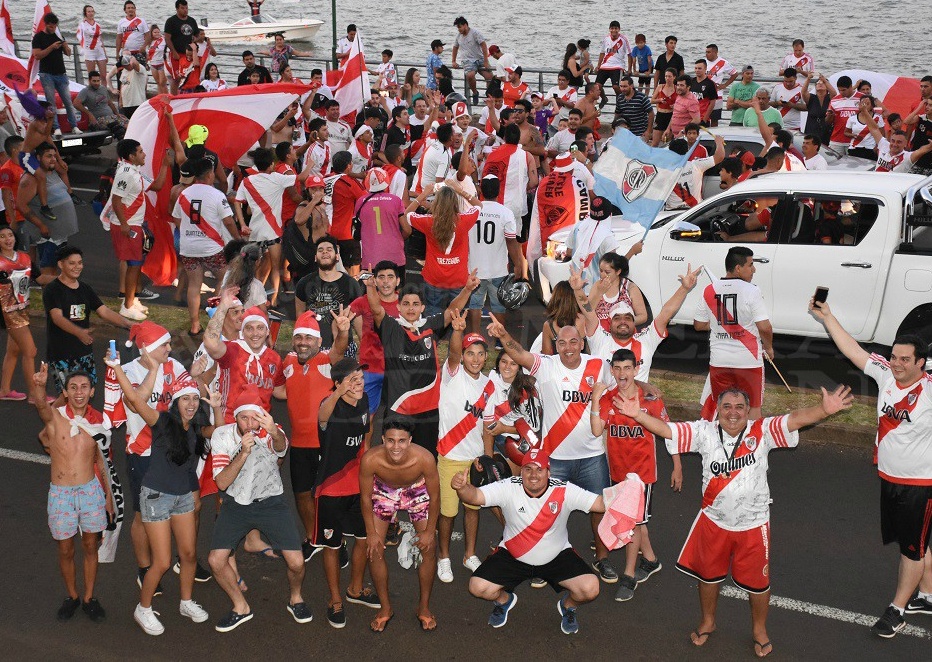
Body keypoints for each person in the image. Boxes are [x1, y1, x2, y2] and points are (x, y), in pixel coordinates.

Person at [621, 383, 852, 656]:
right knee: (708, 577)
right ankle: (708, 621)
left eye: (740, 407)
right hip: (713, 522)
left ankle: (759, 630)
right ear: (717, 410)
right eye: (727, 407)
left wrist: (823, 410)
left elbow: (796, 419)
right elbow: (667, 430)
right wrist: (638, 415)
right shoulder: (704, 432)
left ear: (748, 410)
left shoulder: (763, 430)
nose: (733, 413)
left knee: (758, 584)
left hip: (753, 525)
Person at [810, 302, 932, 638]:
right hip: (889, 478)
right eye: (894, 357)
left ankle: (898, 609)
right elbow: (854, 350)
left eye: (905, 360)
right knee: (914, 540)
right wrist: (828, 318)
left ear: (921, 362)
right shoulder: (885, 374)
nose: (896, 364)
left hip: (920, 484)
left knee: (911, 549)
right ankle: (928, 595)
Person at [487, 314, 618, 583]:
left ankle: (602, 558)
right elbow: (520, 354)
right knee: (546, 509)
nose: (568, 347)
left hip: (593, 455)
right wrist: (502, 335)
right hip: (555, 457)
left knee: (599, 509)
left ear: (582, 343)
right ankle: (541, 558)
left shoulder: (599, 366)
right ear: (555, 345)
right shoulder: (547, 365)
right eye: (562, 343)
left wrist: (646, 386)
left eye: (573, 341)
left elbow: (622, 385)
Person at [106, 355, 214, 635]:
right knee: (163, 561)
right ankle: (142, 609)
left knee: (189, 554)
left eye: (194, 399)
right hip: (156, 497)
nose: (191, 404)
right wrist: (117, 368)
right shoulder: (162, 422)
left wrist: (217, 406)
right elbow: (136, 400)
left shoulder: (196, 430)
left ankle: (186, 602)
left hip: (182, 498)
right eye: (185, 399)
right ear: (175, 402)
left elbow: (222, 430)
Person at [454, 448, 606, 634]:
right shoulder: (509, 486)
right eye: (528, 469)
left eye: (539, 469)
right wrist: (462, 487)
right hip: (512, 554)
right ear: (521, 471)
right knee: (477, 587)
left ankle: (568, 606)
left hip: (557, 555)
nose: (533, 475)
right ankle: (504, 601)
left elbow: (600, 504)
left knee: (590, 589)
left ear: (548, 472)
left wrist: (625, 493)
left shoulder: (564, 490)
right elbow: (475, 496)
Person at [207, 385, 312, 632]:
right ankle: (240, 606)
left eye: (256, 417)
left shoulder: (270, 432)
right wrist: (243, 453)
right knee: (216, 560)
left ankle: (296, 598)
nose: (251, 423)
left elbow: (281, 448)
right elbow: (221, 482)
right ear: (236, 418)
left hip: (271, 502)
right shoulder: (222, 436)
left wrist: (273, 431)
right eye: (244, 417)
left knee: (296, 563)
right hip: (235, 504)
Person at [590, 348, 681, 601]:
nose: (622, 374)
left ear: (636, 370)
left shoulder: (650, 400)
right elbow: (597, 431)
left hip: (642, 476)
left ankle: (628, 576)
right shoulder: (608, 399)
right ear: (612, 371)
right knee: (638, 522)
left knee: (633, 524)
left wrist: (677, 465)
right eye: (617, 369)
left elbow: (668, 432)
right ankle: (650, 560)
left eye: (627, 368)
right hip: (617, 472)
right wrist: (596, 402)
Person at [30, 363, 114, 623]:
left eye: (84, 387)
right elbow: (43, 408)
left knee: (91, 546)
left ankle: (89, 597)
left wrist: (109, 497)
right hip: (62, 494)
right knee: (66, 550)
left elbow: (102, 462)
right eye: (73, 387)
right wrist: (41, 387)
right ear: (65, 392)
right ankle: (72, 596)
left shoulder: (98, 422)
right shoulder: (57, 418)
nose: (79, 392)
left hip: (90, 491)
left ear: (92, 391)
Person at [364, 270, 478, 455]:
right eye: (406, 304)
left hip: (429, 410)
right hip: (398, 408)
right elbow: (377, 310)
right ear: (398, 307)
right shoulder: (391, 327)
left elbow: (451, 312)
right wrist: (370, 287)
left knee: (426, 458)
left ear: (423, 307)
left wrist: (467, 289)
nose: (411, 308)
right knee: (395, 459)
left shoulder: (430, 326)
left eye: (416, 304)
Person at [313, 357, 380, 627]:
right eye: (351, 379)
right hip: (331, 489)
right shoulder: (329, 405)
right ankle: (335, 599)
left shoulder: (364, 402)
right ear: (338, 384)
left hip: (359, 486)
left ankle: (355, 589)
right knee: (332, 545)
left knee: (363, 539)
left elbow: (366, 431)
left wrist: (367, 461)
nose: (358, 383)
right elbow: (322, 417)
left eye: (360, 378)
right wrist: (337, 393)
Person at [359, 418, 441, 631]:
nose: (396, 447)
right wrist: (371, 533)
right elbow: (366, 497)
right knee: (374, 549)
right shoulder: (370, 459)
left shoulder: (425, 458)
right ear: (383, 439)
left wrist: (430, 531)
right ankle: (385, 608)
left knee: (430, 548)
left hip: (417, 490)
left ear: (410, 440)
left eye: (402, 441)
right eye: (391, 441)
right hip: (384, 491)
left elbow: (435, 496)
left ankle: (423, 607)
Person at [280, 311, 348, 560]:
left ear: (319, 342)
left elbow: (339, 351)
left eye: (309, 338)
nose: (303, 342)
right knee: (301, 494)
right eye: (298, 337)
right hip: (299, 444)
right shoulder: (287, 362)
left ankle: (335, 540)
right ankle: (313, 537)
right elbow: (279, 389)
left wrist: (342, 331)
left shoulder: (326, 361)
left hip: (326, 442)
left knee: (328, 496)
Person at [435, 314, 494, 583]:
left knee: (473, 509)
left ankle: (469, 554)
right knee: (447, 513)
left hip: (474, 460)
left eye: (480, 354)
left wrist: (486, 458)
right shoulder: (452, 374)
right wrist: (457, 332)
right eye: (471, 353)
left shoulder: (488, 385)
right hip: (449, 458)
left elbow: (488, 425)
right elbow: (454, 354)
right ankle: (444, 557)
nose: (475, 359)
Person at [575, 262, 700, 381]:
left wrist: (684, 288)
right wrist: (577, 290)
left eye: (628, 318)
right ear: (609, 322)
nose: (623, 321)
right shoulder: (600, 339)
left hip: (638, 402)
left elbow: (665, 314)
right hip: (606, 401)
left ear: (634, 321)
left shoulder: (646, 339)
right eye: (617, 318)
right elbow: (588, 312)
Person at [694, 247, 773, 421]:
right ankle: (750, 446)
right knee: (753, 409)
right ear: (738, 268)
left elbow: (699, 325)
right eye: (751, 265)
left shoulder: (709, 290)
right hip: (748, 360)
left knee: (723, 407)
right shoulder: (752, 290)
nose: (754, 270)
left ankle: (721, 445)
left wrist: (718, 325)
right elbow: (765, 327)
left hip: (719, 360)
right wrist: (769, 347)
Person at [42, 246, 133, 394]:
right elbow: (57, 318)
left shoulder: (85, 289)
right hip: (61, 354)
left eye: (80, 263)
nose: (77, 267)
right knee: (67, 396)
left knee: (88, 392)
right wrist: (79, 332)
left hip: (84, 353)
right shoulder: (53, 290)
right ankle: (52, 416)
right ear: (60, 264)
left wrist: (128, 324)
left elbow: (104, 311)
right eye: (72, 263)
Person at [172, 159, 241, 336]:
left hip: (188, 247)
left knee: (194, 285)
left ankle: (195, 325)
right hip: (211, 246)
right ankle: (216, 319)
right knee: (223, 279)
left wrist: (188, 233)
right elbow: (228, 221)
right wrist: (238, 239)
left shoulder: (184, 194)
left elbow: (177, 218)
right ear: (210, 174)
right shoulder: (217, 194)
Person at [106, 139, 171, 321]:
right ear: (131, 156)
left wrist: (165, 165)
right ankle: (127, 306)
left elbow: (157, 186)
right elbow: (116, 200)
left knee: (136, 264)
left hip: (134, 223)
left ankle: (132, 300)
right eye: (141, 152)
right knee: (133, 265)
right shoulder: (126, 173)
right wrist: (125, 224)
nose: (144, 154)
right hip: (127, 225)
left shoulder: (135, 171)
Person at [407, 185, 481, 315]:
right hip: (458, 279)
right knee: (456, 320)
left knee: (433, 321)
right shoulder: (464, 220)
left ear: (436, 203)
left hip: (434, 278)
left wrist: (424, 194)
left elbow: (407, 213)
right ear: (455, 203)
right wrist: (459, 190)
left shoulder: (428, 221)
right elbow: (479, 205)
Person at [294, 235, 362, 354]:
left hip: (343, 346)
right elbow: (300, 315)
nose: (324, 252)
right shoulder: (303, 283)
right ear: (315, 257)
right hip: (313, 347)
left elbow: (358, 319)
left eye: (329, 249)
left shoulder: (351, 284)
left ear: (337, 256)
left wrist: (365, 345)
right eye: (320, 250)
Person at [0, 225, 37, 402]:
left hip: (23, 310)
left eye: (10, 235)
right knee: (30, 351)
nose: (7, 239)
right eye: (2, 236)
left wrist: (63, 277)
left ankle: (4, 390)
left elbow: (40, 277)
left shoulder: (25, 257)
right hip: (8, 313)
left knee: (13, 351)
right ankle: (34, 395)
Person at [31, 13, 81, 138]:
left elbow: (68, 53)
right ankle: (56, 127)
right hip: (46, 74)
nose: (53, 28)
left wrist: (65, 46)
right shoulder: (38, 37)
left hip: (61, 73)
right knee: (51, 102)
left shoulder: (58, 35)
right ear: (46, 24)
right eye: (51, 26)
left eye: (55, 26)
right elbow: (37, 55)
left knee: (68, 101)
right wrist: (51, 47)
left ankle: (74, 126)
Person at [450, 17, 491, 105]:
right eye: (457, 27)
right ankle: (475, 93)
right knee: (470, 75)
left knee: (490, 77)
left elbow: (483, 45)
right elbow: (455, 48)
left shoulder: (475, 33)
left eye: (460, 27)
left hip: (479, 58)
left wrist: (486, 60)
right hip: (467, 60)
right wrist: (453, 61)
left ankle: (489, 96)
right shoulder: (458, 37)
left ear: (465, 25)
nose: (459, 29)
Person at [163, 1, 199, 95]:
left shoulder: (192, 20)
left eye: (186, 8)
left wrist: (195, 38)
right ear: (177, 9)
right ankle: (174, 98)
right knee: (177, 77)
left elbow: (197, 34)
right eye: (182, 8)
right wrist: (173, 52)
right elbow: (167, 38)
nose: (185, 10)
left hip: (188, 54)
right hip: (176, 53)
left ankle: (184, 96)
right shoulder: (171, 21)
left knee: (188, 76)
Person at [595, 21, 630, 108]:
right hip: (605, 65)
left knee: (616, 87)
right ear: (609, 29)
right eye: (612, 28)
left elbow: (630, 54)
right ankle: (604, 98)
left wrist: (629, 68)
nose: (614, 30)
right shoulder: (606, 38)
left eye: (616, 28)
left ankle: (620, 102)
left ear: (619, 29)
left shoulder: (624, 39)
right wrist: (598, 65)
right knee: (597, 86)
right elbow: (602, 52)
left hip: (617, 66)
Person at [825, 76, 863, 155]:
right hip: (837, 140)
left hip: (856, 140)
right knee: (834, 165)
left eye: (844, 90)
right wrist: (830, 116)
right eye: (839, 90)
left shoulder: (862, 98)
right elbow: (827, 122)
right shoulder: (835, 100)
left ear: (850, 87)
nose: (841, 92)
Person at [703, 45, 738, 127]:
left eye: (709, 52)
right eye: (706, 52)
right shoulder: (703, 62)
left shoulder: (723, 63)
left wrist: (725, 85)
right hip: (704, 95)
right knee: (703, 118)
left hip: (717, 95)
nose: (706, 54)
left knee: (714, 120)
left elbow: (735, 74)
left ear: (715, 52)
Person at [801, 73, 836, 143]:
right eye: (817, 83)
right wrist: (808, 79)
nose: (820, 84)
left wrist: (825, 80)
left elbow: (834, 93)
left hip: (826, 130)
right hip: (811, 129)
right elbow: (803, 92)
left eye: (822, 83)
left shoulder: (829, 98)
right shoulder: (811, 98)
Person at [664, 75, 701, 141]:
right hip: (675, 135)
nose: (678, 87)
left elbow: (697, 120)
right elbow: (675, 115)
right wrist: (668, 129)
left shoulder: (692, 101)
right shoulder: (679, 96)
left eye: (682, 85)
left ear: (688, 87)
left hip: (684, 137)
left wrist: (683, 131)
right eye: (678, 85)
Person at [77, 6, 107, 75]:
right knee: (92, 75)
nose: (91, 13)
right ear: (85, 13)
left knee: (103, 75)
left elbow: (100, 39)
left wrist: (105, 53)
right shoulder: (82, 25)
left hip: (99, 50)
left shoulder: (97, 25)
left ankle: (104, 86)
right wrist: (82, 48)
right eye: (89, 12)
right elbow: (79, 37)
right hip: (89, 50)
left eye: (92, 11)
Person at [689, 60, 719, 127]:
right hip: (690, 117)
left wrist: (705, 119)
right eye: (696, 68)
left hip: (702, 118)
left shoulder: (710, 84)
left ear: (705, 69)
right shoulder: (691, 82)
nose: (697, 70)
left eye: (699, 68)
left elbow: (712, 103)